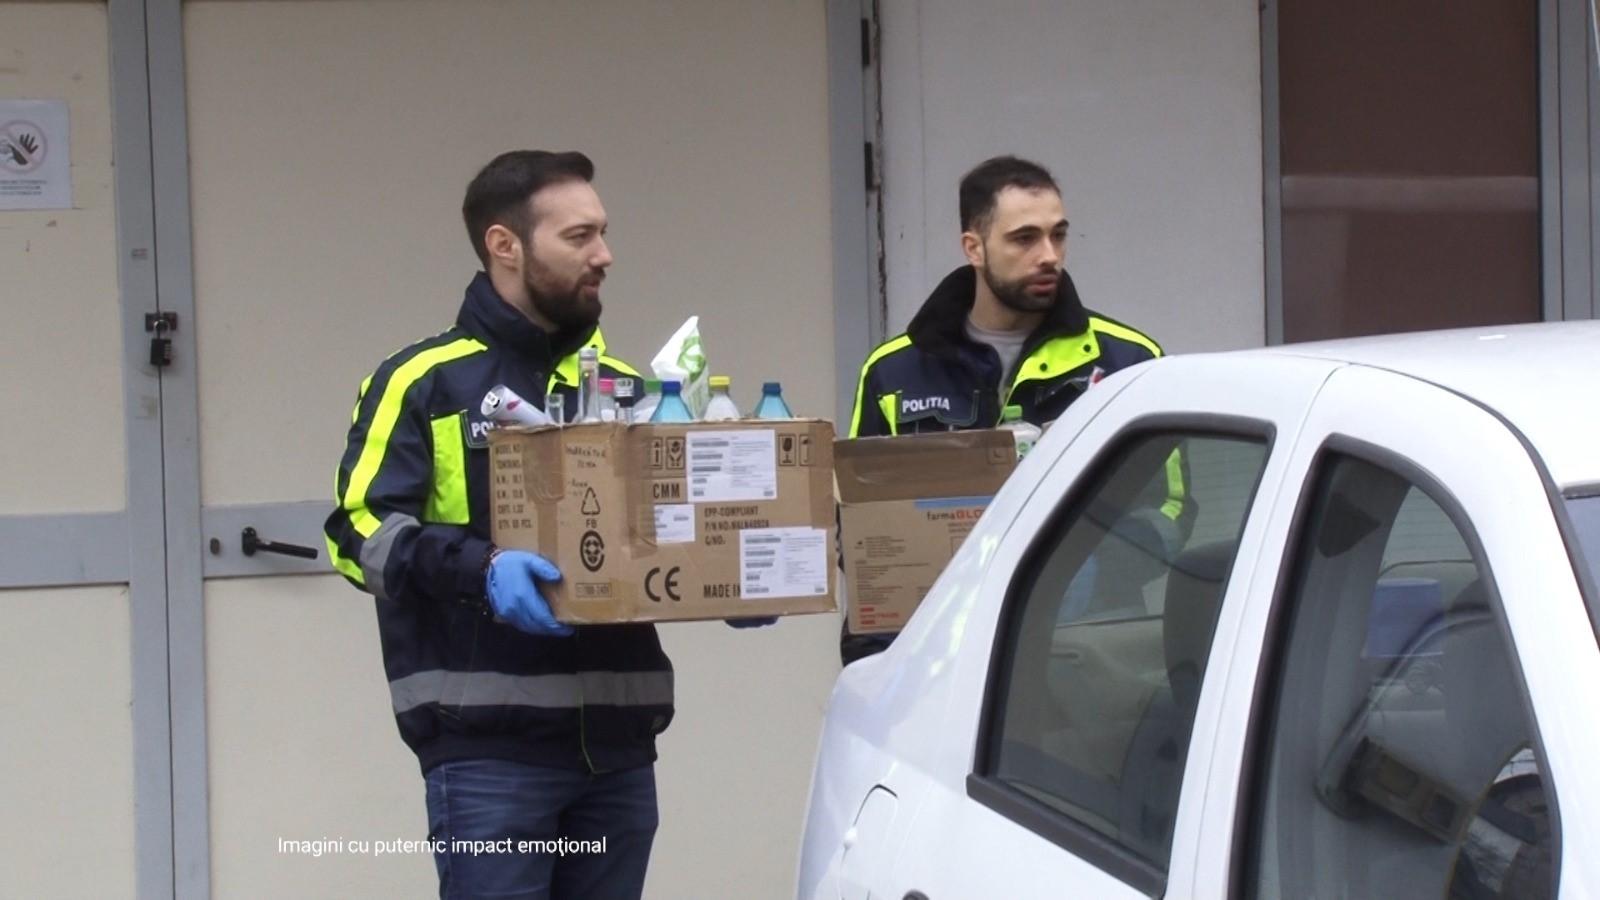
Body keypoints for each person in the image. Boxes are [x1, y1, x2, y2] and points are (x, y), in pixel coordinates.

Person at [325, 150, 683, 900]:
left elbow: (666, 532)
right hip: (488, 749)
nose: (604, 255)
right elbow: (358, 534)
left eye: (603, 232)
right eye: (579, 236)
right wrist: (482, 570)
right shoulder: (423, 382)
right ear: (505, 245)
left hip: (621, 748)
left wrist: (739, 574)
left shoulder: (625, 391)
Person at [840, 155, 1185, 665]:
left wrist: (1075, 574)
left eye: (1058, 235)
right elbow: (856, 524)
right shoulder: (894, 372)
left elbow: (1172, 507)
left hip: (1079, 649)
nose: (1049, 256)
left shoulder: (1126, 362)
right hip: (930, 654)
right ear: (974, 248)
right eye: (1024, 239)